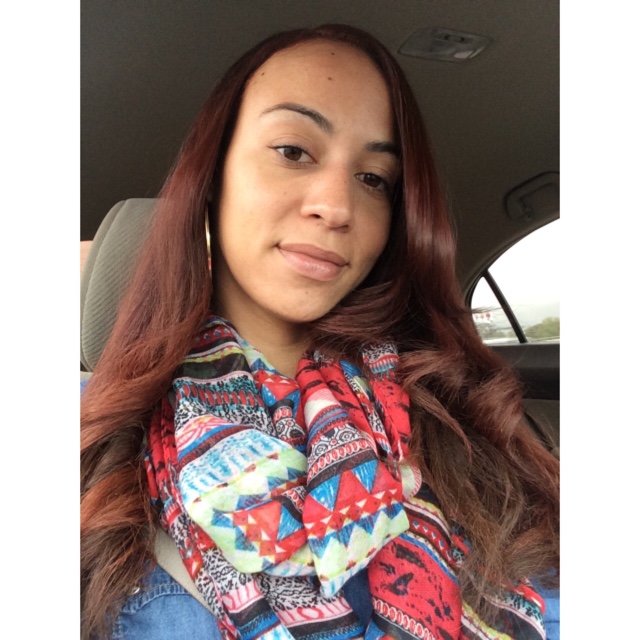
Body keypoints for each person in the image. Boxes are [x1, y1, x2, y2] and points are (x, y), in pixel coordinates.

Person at [81, 24, 559, 640]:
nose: (336, 207)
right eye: (292, 151)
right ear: (213, 175)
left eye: (373, 179)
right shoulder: (87, 443)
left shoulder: (462, 421)